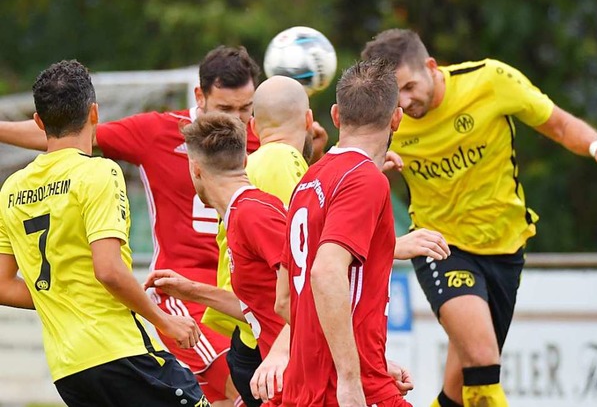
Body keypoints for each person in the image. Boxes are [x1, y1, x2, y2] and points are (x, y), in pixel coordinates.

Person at [361, 28, 597, 407]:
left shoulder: (490, 80)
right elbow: (353, 163)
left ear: (431, 66)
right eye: (395, 94)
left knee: (458, 389)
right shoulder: (389, 119)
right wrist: (373, 164)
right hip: (440, 246)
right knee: (484, 359)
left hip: (505, 246)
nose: (404, 103)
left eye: (409, 87)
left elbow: (556, 123)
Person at [0, 45, 263, 406]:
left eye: (244, 110)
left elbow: (4, 285)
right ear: (94, 113)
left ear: (40, 120)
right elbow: (108, 270)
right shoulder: (107, 166)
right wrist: (164, 321)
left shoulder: (12, 188)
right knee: (239, 390)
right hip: (131, 336)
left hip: (68, 364)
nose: (236, 119)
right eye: (225, 108)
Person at [146, 75, 315, 407]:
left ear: (195, 169)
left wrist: (281, 353)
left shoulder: (254, 212)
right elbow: (258, 306)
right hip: (274, 367)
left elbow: (311, 286)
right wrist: (190, 289)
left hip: (298, 372)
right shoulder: (239, 214)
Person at [280, 58, 412, 407]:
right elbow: (326, 272)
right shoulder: (367, 179)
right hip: (344, 387)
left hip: (305, 383)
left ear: (336, 116)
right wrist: (352, 378)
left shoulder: (308, 179)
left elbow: (284, 299)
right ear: (396, 118)